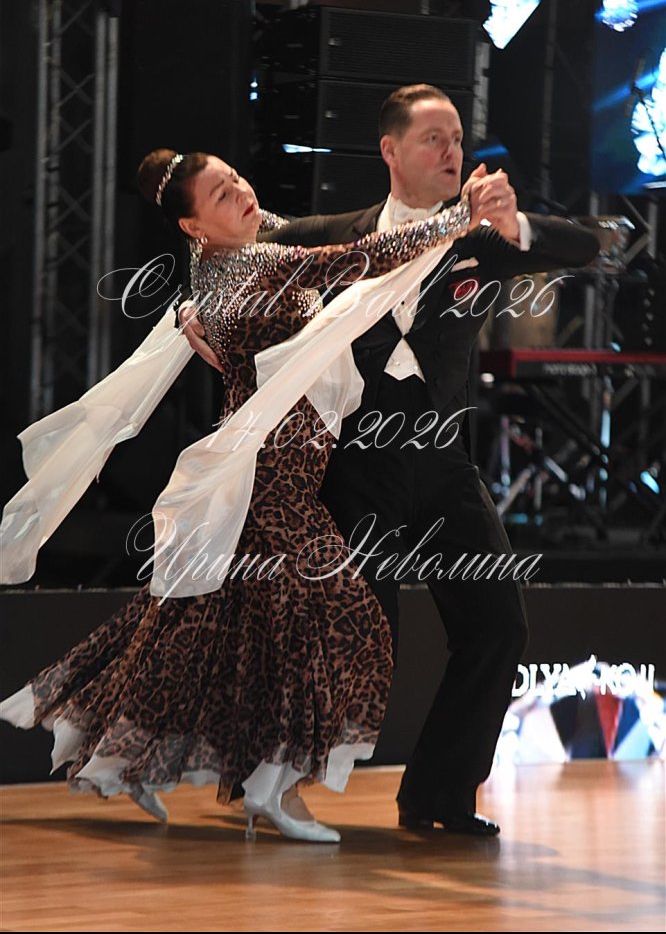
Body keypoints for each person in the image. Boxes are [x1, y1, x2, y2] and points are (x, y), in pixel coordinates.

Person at [0, 145, 478, 843]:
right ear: (195, 226)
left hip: (268, 474)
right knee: (348, 623)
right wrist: (458, 218)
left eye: (236, 179)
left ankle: (113, 759)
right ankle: (271, 790)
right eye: (222, 195)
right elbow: (361, 256)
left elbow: (307, 231)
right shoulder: (258, 267)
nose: (243, 194)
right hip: (273, 483)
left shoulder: (216, 260)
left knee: (194, 629)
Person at [179, 85, 600, 836]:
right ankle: (266, 780)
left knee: (498, 625)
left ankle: (439, 794)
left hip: (442, 464)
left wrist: (518, 223)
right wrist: (191, 308)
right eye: (434, 138)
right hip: (356, 469)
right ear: (391, 151)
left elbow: (588, 247)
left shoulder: (482, 239)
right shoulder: (333, 236)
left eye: (457, 138)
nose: (452, 152)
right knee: (362, 634)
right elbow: (232, 257)